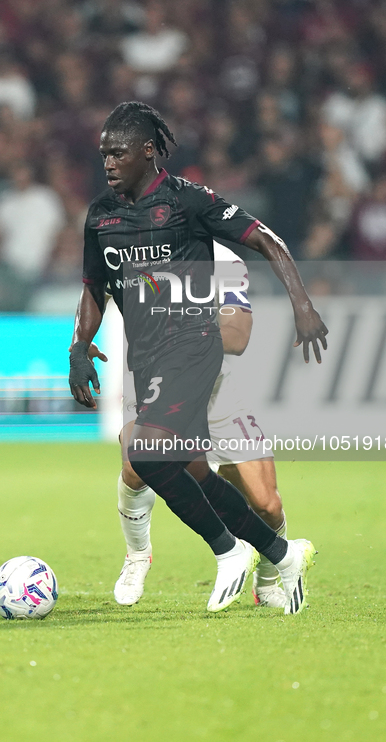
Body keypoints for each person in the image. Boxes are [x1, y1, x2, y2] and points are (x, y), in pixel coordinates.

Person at [69, 102, 328, 615]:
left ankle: (231, 552)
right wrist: (79, 347)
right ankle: (279, 553)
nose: (108, 163)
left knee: (146, 456)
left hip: (194, 349)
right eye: (103, 154)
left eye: (118, 153)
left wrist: (302, 304)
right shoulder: (102, 215)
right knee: (183, 468)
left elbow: (267, 241)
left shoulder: (188, 202)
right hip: (147, 360)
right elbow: (94, 287)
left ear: (148, 151)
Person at [112, 243, 288, 608]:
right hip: (157, 382)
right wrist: (78, 346)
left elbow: (238, 336)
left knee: (266, 503)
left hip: (214, 392)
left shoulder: (221, 260)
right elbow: (96, 291)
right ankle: (137, 556)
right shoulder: (135, 248)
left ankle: (269, 577)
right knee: (135, 465)